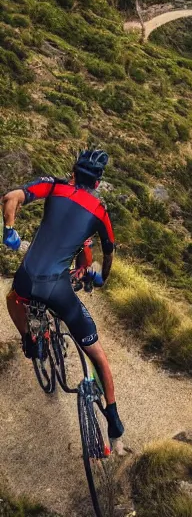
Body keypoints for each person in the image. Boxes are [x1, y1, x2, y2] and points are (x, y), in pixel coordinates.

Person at [2, 149, 124, 440]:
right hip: (58, 290)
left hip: (27, 280)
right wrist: (100, 277)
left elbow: (11, 197)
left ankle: (29, 340)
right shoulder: (99, 212)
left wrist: (9, 230)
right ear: (97, 183)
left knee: (12, 298)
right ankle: (114, 417)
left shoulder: (54, 186)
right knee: (97, 355)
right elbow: (107, 253)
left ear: (73, 172)